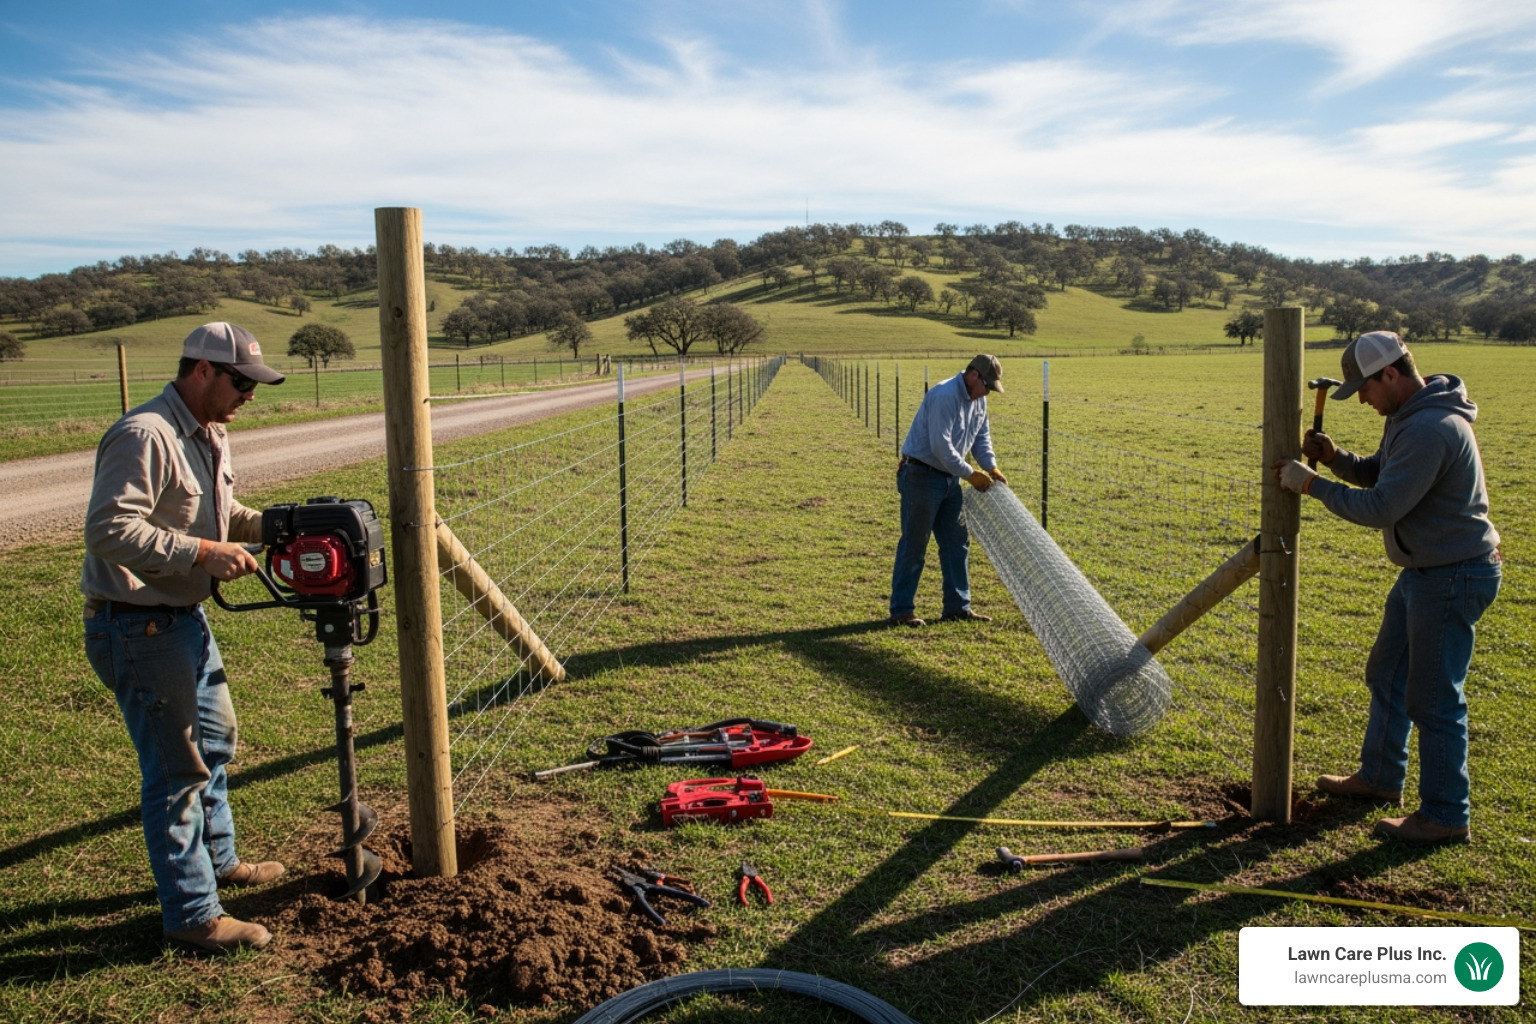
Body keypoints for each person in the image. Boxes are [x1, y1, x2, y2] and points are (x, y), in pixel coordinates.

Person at [83, 323, 288, 950]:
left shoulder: (210, 433)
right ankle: (194, 913)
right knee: (177, 771)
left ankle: (219, 860)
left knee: (217, 741)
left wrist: (284, 523)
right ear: (202, 370)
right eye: (241, 381)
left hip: (182, 619)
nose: (250, 394)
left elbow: (220, 516)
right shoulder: (144, 435)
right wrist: (200, 552)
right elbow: (109, 529)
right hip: (137, 624)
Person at [1273, 331, 1500, 845]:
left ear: (1390, 375)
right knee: (1388, 674)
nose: (1365, 400)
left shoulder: (1431, 428)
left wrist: (1309, 483)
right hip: (1425, 572)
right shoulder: (1409, 417)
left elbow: (1381, 507)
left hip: (1450, 575)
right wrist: (1334, 458)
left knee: (1434, 700)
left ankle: (1445, 814)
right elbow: (1381, 475)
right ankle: (1379, 778)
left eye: (1366, 390)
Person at [888, 354, 1007, 627]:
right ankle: (901, 611)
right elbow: (941, 447)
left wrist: (991, 467)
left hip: (949, 479)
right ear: (974, 375)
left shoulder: (979, 401)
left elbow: (981, 437)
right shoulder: (944, 396)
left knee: (956, 543)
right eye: (987, 386)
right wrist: (970, 474)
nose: (987, 392)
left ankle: (957, 607)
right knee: (915, 544)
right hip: (921, 476)